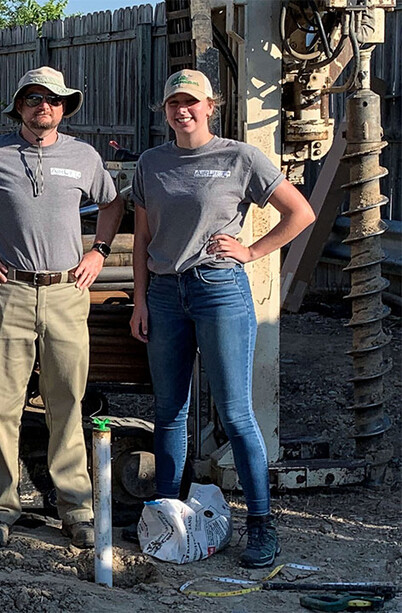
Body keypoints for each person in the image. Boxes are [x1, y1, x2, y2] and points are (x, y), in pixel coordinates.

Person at [0, 67, 124, 549]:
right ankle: (0, 508)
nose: (45, 107)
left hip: (66, 292)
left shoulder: (83, 156)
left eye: (54, 100)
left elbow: (113, 204)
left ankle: (76, 508)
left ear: (64, 108)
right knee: (3, 406)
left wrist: (98, 250)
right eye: (35, 98)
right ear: (19, 106)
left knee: (67, 402)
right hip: (8, 291)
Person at [128, 69, 314, 568]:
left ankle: (261, 525)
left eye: (191, 102)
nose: (181, 110)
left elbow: (301, 213)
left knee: (235, 414)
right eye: (173, 103)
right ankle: (164, 515)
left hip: (218, 290)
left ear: (212, 105)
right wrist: (141, 301)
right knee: (169, 413)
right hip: (165, 295)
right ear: (164, 110)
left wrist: (251, 250)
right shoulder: (151, 163)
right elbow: (142, 240)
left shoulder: (240, 157)